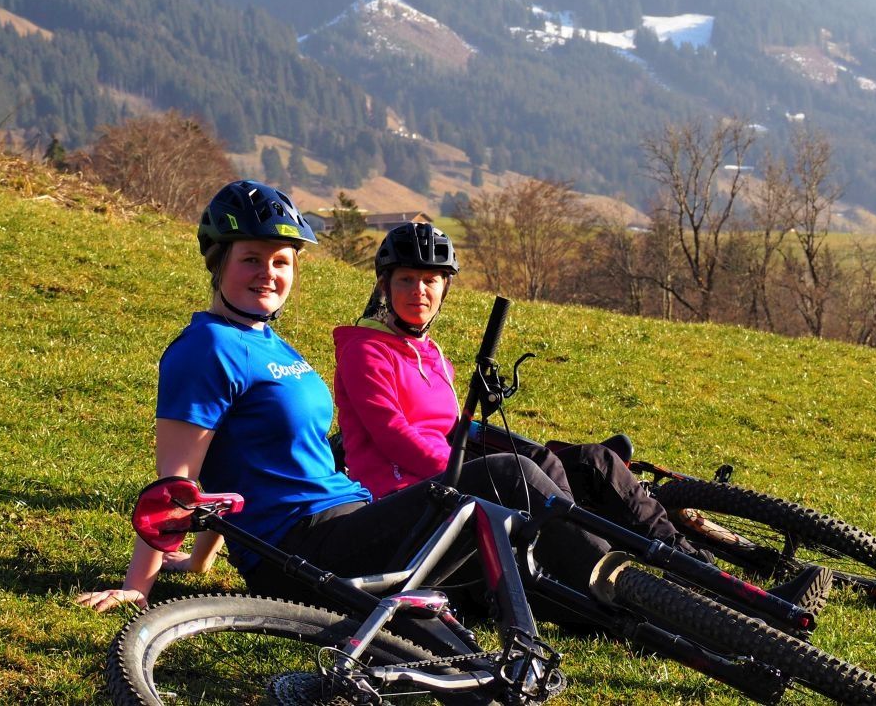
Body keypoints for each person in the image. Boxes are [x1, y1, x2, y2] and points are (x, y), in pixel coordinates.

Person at [75, 181, 613, 615]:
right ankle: (620, 582)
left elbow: (235, 470)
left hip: (350, 517)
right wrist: (138, 587)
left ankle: (633, 612)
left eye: (282, 261)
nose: (269, 274)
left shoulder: (268, 343)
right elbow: (177, 486)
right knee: (506, 474)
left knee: (513, 547)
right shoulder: (204, 350)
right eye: (251, 258)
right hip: (300, 548)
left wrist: (199, 563)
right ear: (218, 262)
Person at [333, 222, 831, 615]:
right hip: (415, 499)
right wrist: (491, 466)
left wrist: (529, 450)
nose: (419, 291)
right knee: (541, 483)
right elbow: (397, 438)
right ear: (384, 285)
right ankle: (698, 596)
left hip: (456, 472)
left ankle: (705, 573)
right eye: (407, 280)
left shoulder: (430, 352)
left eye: (430, 281)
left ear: (444, 289)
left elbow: (452, 427)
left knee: (594, 462)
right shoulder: (364, 353)